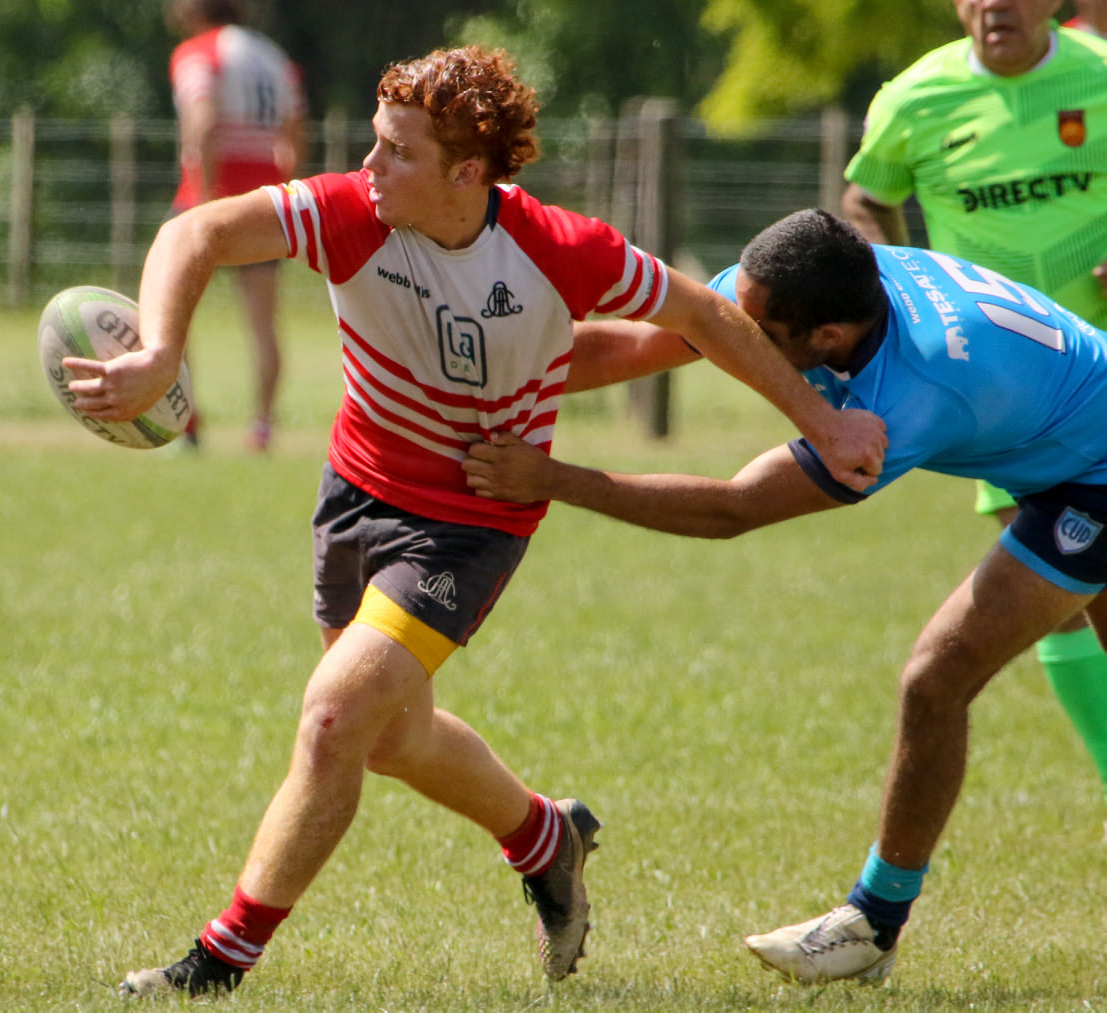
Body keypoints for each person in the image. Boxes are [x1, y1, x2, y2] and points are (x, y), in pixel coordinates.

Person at [65, 47, 887, 998]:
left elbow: (704, 312)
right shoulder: (348, 212)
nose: (369, 167)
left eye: (396, 152)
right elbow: (195, 231)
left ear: (466, 173)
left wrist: (821, 420)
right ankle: (546, 836)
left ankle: (216, 963)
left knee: (334, 717)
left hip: (470, 517)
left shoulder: (556, 248)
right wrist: (164, 347)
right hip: (355, 494)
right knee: (387, 738)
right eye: (373, 144)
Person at [463, 208, 1107, 985]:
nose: (741, 327)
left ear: (826, 337)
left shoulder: (913, 390)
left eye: (758, 328)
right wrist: (480, 375)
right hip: (1058, 446)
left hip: (1092, 477)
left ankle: (873, 921)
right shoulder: (807, 286)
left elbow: (732, 507)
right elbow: (649, 341)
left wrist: (554, 479)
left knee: (937, 677)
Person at [841, 0, 1107, 815]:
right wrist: (907, 296)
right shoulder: (914, 99)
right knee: (1063, 602)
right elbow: (862, 202)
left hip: (1096, 370)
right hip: (1004, 400)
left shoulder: (1098, 77)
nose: (998, 5)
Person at [165, 0, 305, 451]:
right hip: (264, 202)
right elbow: (294, 131)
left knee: (172, 315)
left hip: (209, 195)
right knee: (264, 324)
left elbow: (203, 123)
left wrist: (203, 198)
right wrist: (284, 189)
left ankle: (186, 419)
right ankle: (261, 428)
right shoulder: (272, 55)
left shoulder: (197, 52)